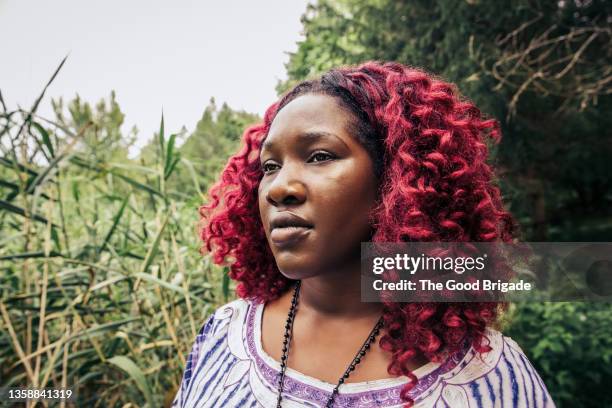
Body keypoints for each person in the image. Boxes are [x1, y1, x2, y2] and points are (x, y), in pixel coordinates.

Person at [172, 61, 555, 407]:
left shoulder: (489, 377)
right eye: (269, 166)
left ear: (397, 179)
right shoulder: (223, 337)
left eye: (320, 156)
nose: (277, 188)